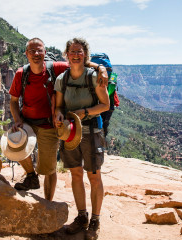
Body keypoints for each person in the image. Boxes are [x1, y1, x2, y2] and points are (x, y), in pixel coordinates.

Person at [9, 37, 108, 201]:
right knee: (14, 146)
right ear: (26, 54)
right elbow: (13, 101)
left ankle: (48, 203)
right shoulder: (21, 74)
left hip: (48, 125)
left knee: (48, 169)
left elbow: (77, 62)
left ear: (45, 53)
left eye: (39, 50)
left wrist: (100, 68)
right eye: (32, 51)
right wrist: (17, 120)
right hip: (27, 122)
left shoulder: (55, 68)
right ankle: (31, 175)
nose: (36, 53)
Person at [54, 37, 109, 240]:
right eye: (72, 51)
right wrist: (58, 115)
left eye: (79, 52)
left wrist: (84, 112)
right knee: (76, 175)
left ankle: (95, 219)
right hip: (70, 133)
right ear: (66, 55)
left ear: (85, 55)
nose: (75, 55)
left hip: (91, 130)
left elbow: (105, 104)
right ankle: (82, 216)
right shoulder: (62, 79)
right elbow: (58, 106)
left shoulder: (93, 76)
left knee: (94, 176)